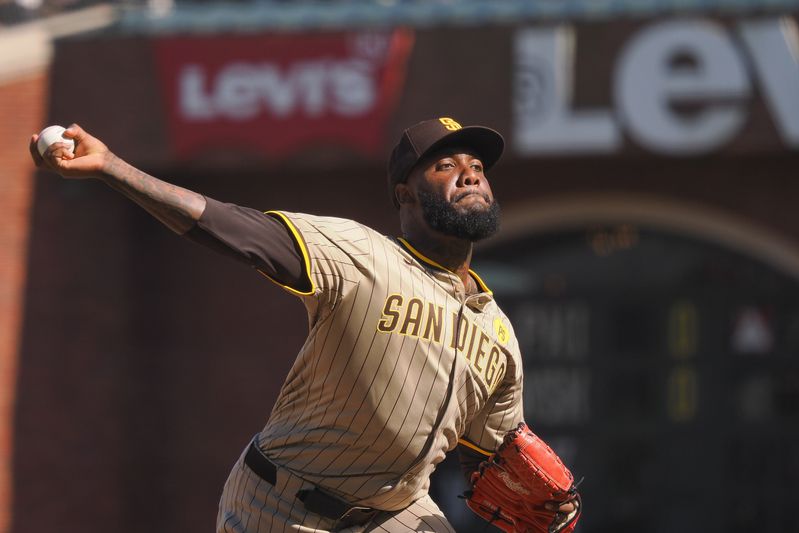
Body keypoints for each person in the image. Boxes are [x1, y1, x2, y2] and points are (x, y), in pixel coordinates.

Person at [29, 117, 577, 532]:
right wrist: (111, 168)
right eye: (446, 164)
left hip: (394, 515)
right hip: (279, 505)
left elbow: (499, 453)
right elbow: (225, 224)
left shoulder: (497, 331)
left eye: (477, 166)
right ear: (405, 195)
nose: (470, 172)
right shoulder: (360, 253)